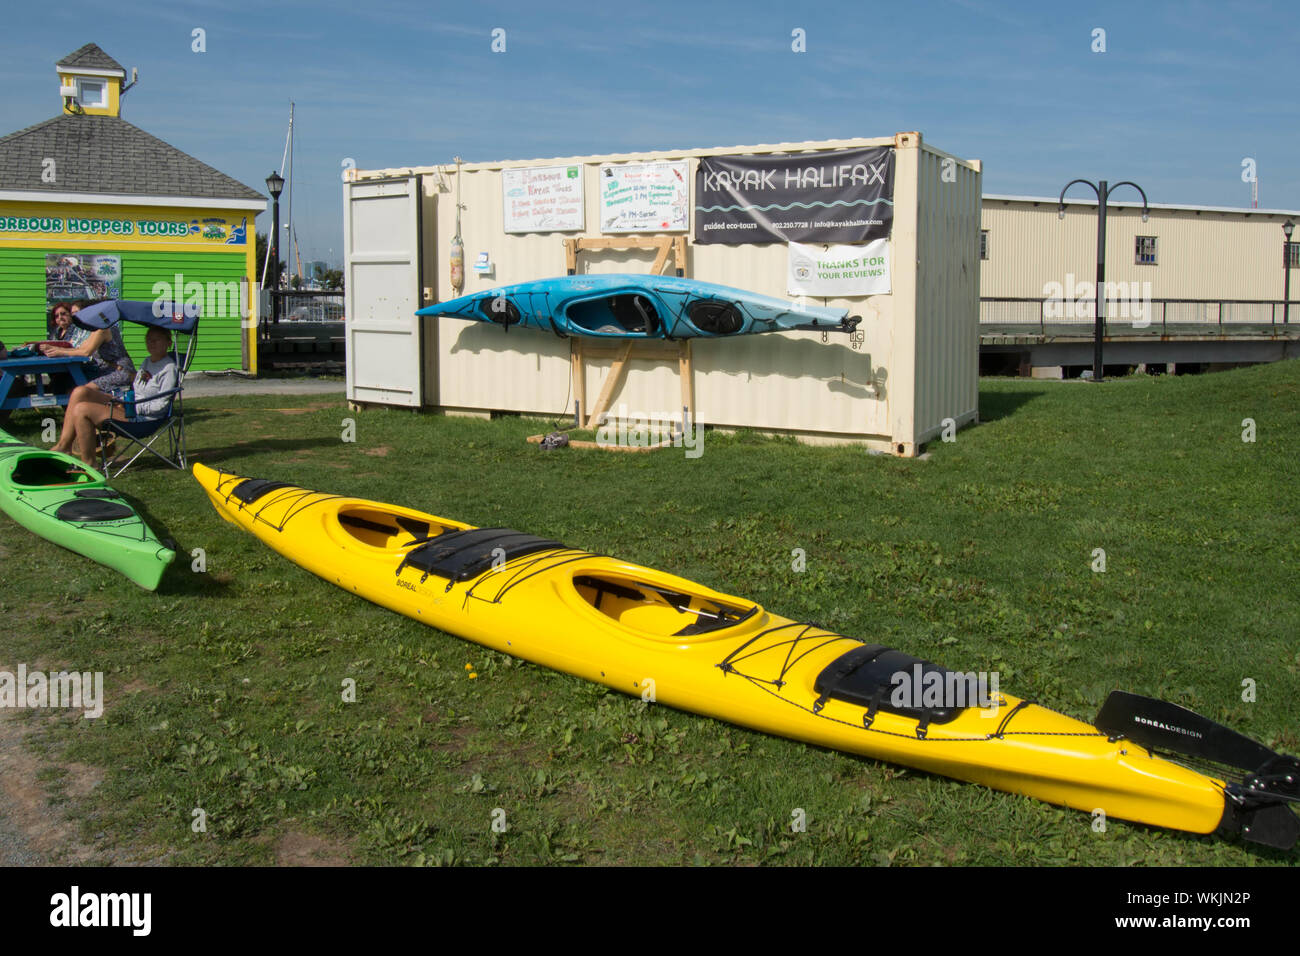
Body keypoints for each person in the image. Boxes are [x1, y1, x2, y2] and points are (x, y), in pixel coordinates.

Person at [51, 327, 177, 466]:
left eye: (156, 340)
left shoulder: (169, 368)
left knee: (82, 410)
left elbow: (162, 406)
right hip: (129, 406)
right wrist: (121, 401)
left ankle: (89, 463)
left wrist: (132, 406)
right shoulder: (147, 361)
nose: (151, 343)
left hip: (143, 418)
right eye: (148, 340)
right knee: (80, 392)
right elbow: (136, 390)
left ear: (168, 342)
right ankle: (64, 445)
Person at [39, 304, 135, 392]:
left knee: (81, 391)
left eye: (77, 314)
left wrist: (60, 352)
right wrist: (56, 350)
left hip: (119, 372)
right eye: (73, 314)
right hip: (104, 370)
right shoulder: (94, 329)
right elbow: (79, 349)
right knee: (63, 380)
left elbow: (86, 352)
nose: (75, 317)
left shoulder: (102, 329)